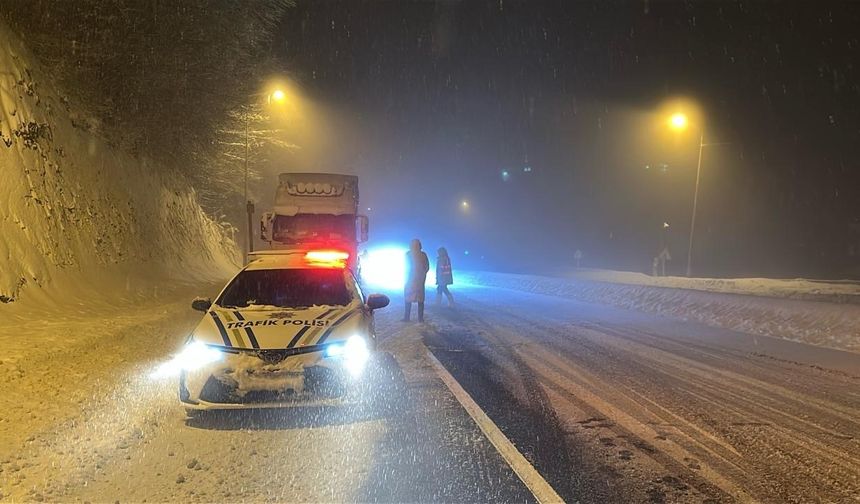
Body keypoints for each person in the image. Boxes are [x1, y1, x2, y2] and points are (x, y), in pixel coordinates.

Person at [403, 238, 429, 322]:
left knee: (408, 298)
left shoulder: (408, 254)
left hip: (410, 280)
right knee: (420, 300)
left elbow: (405, 266)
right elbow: (427, 267)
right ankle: (420, 318)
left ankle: (407, 317)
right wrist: (422, 274)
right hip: (419, 280)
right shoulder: (423, 255)